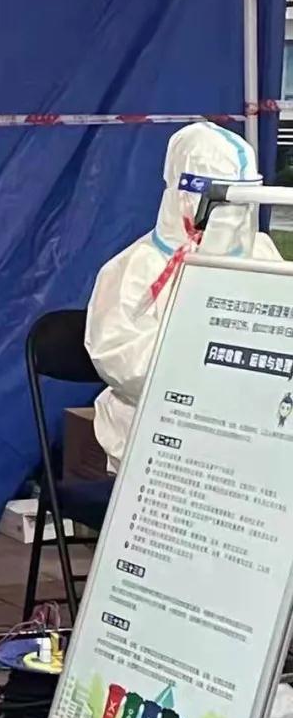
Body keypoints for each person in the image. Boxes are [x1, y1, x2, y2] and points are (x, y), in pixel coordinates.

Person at [86, 121, 281, 472]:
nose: (235, 218)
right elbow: (124, 362)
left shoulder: (262, 257)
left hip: (253, 437)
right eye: (224, 203)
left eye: (245, 202)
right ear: (186, 196)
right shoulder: (137, 269)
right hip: (157, 440)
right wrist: (214, 381)